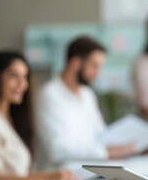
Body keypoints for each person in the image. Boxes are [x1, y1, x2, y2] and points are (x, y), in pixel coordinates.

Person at [0, 51, 75, 180]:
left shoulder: (8, 121)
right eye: (13, 76)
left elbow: (17, 174)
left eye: (25, 77)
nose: (22, 84)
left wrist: (53, 175)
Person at [34, 36, 137, 171]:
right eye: (94, 66)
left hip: (92, 169)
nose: (97, 73)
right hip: (61, 173)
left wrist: (134, 147)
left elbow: (101, 134)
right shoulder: (49, 94)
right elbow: (57, 150)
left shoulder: (87, 94)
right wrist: (106, 152)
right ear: (75, 62)